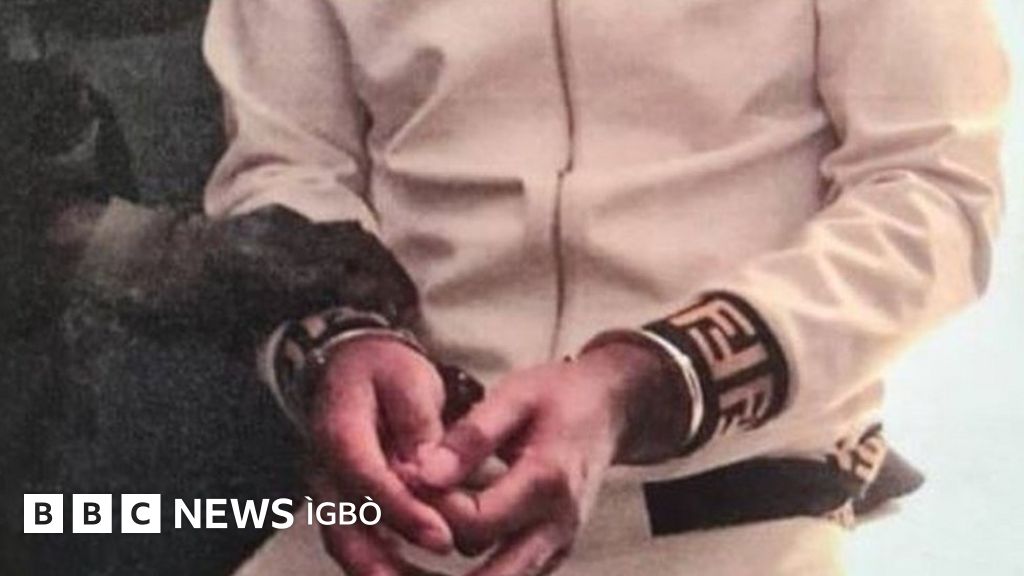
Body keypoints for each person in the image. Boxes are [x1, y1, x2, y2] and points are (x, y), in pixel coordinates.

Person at [203, 1, 1009, 575]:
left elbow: (932, 191)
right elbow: (283, 168)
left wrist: (652, 379)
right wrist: (340, 346)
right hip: (399, 519)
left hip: (740, 517)